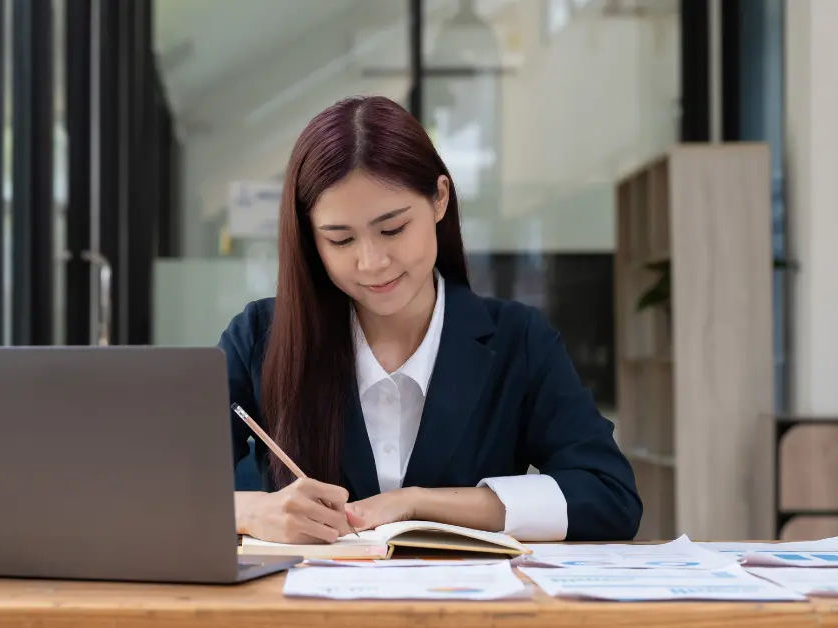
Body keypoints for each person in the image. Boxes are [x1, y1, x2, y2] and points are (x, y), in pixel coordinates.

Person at [219, 95, 640, 546]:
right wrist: (251, 510)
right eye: (340, 240)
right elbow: (149, 489)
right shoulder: (261, 337)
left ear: (439, 199)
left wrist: (420, 503)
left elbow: (608, 495)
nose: (372, 262)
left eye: (393, 229)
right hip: (300, 614)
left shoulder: (519, 340)